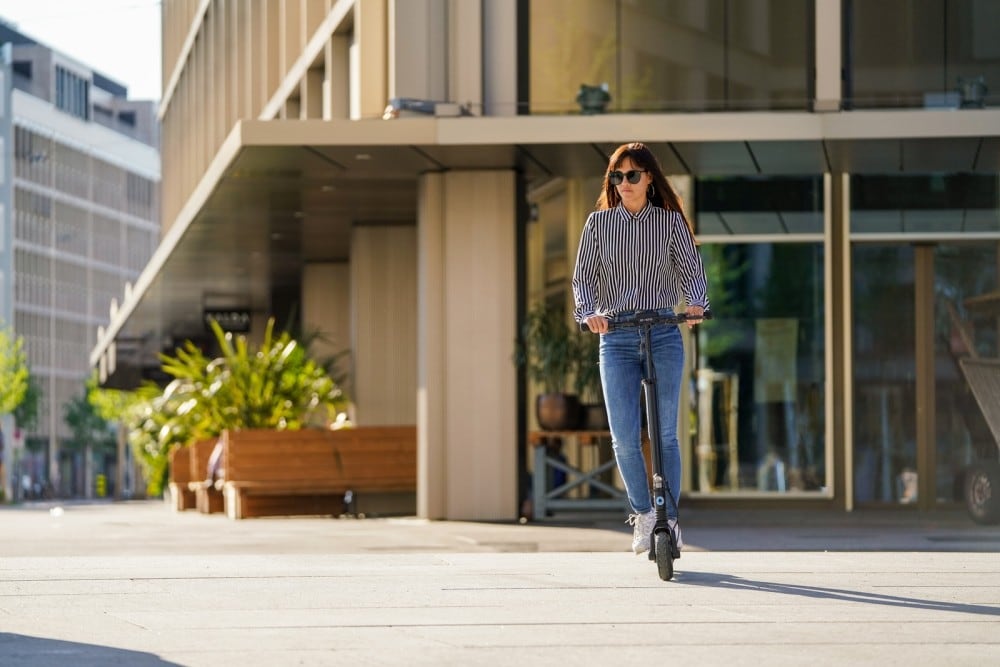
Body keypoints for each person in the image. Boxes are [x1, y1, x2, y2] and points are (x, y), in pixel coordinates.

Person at [572, 141, 709, 556]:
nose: (625, 183)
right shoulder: (598, 225)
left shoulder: (669, 224)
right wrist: (589, 313)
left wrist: (697, 304)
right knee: (625, 439)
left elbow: (692, 271)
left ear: (650, 178)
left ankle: (670, 518)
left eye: (633, 175)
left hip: (664, 332)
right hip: (615, 335)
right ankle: (644, 514)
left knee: (667, 435)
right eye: (618, 176)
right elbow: (583, 280)